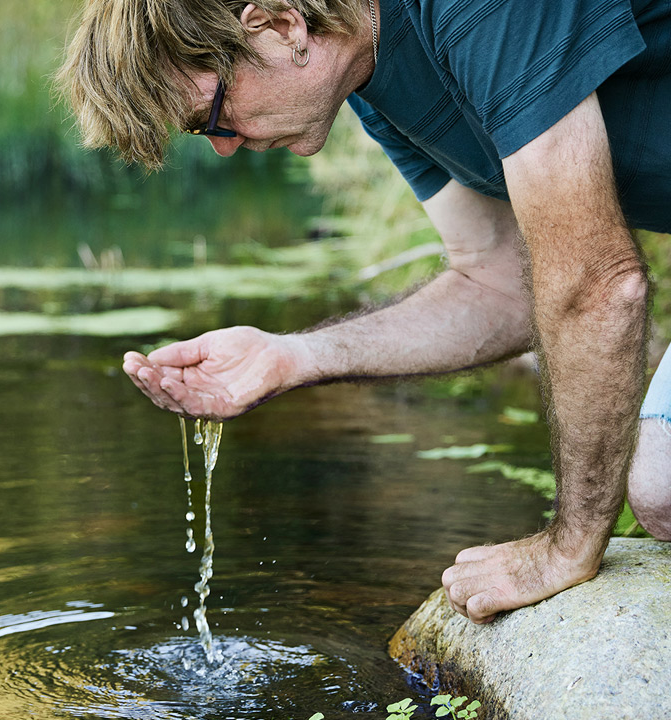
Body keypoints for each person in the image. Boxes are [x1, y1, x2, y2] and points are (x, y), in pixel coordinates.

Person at [56, 0, 671, 624]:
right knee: (665, 492)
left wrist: (571, 545)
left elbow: (597, 285)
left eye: (212, 116)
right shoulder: (370, 84)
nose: (223, 146)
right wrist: (294, 355)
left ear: (279, 25)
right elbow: (502, 286)